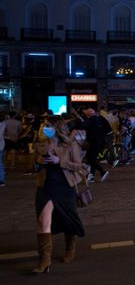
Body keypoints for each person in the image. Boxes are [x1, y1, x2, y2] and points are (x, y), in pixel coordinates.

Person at [31, 116, 87, 273]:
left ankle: (70, 247)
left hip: (65, 186)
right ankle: (44, 260)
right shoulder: (42, 143)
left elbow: (79, 166)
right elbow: (34, 163)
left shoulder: (70, 144)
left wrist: (59, 161)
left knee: (67, 219)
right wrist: (38, 162)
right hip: (45, 186)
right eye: (44, 126)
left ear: (57, 128)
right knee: (43, 221)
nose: (45, 128)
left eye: (48, 126)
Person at [82, 108, 111, 183]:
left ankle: (102, 171)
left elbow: (82, 126)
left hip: (93, 143)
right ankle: (91, 175)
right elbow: (108, 129)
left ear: (88, 114)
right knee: (92, 159)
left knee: (90, 159)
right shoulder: (101, 119)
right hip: (100, 142)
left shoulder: (90, 120)